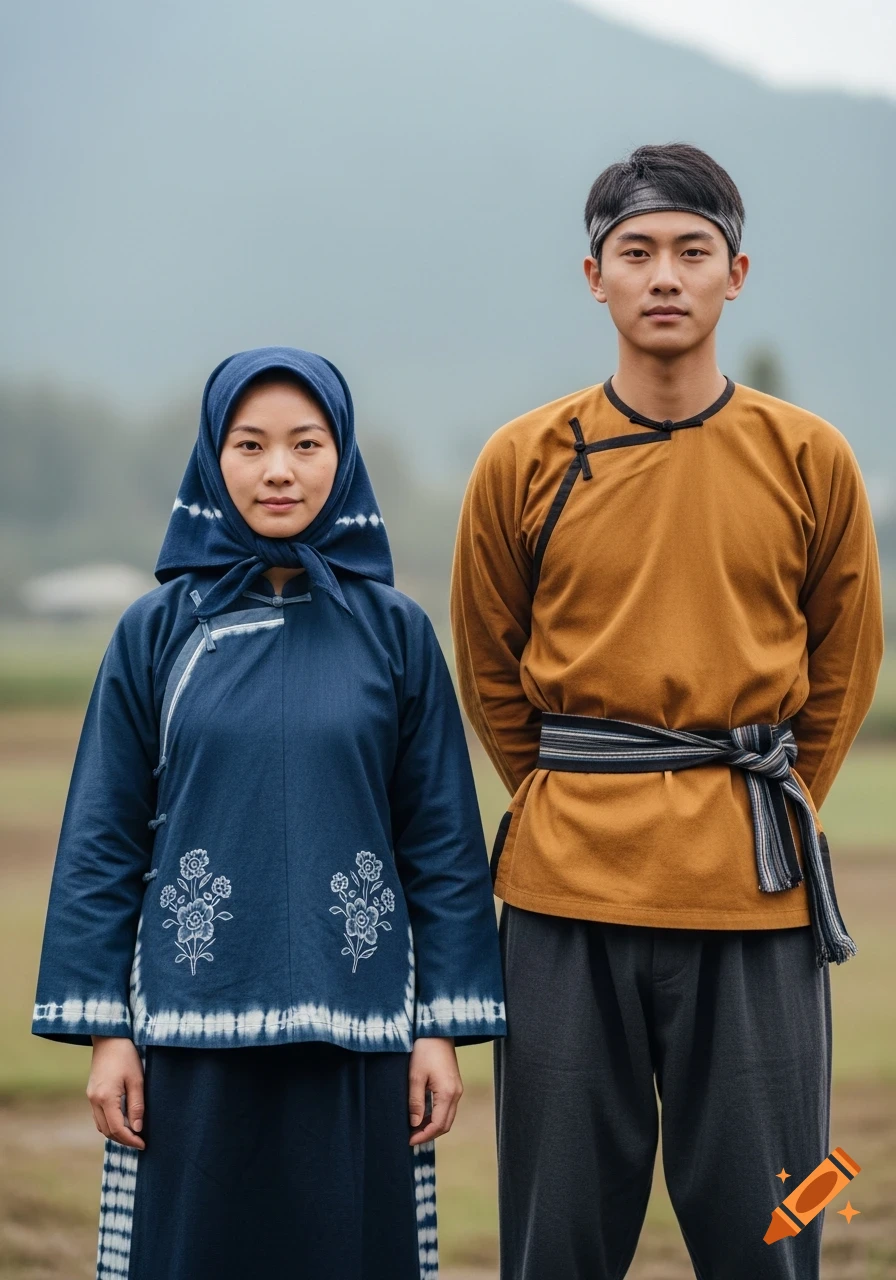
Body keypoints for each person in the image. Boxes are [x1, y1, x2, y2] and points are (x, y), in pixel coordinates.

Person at [450, 144, 883, 1279]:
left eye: (691, 251)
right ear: (591, 276)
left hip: (752, 891)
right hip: (562, 893)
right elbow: (492, 675)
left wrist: (756, 806)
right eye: (634, 251)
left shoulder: (808, 458)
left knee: (775, 1232)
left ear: (734, 273)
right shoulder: (520, 461)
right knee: (554, 1237)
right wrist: (574, 792)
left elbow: (840, 670)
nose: (662, 275)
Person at [33, 346, 505, 1280]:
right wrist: (108, 1033)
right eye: (249, 445)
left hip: (359, 1027)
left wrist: (439, 1031)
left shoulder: (396, 633)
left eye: (305, 443)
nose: (279, 469)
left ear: (343, 457)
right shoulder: (155, 633)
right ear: (214, 457)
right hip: (188, 1030)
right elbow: (102, 840)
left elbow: (442, 846)